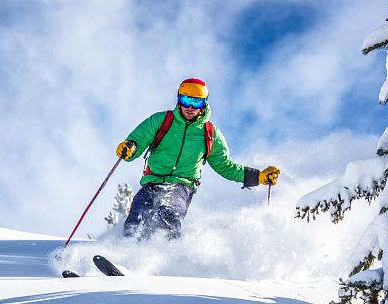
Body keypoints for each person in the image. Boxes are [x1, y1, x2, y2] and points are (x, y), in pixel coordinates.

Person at [115, 77, 280, 240]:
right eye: (186, 100)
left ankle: (165, 254)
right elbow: (139, 139)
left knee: (168, 212)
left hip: (181, 185)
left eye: (197, 102)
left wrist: (257, 177)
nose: (190, 107)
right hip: (153, 181)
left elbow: (225, 166)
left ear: (204, 104)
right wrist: (130, 147)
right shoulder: (162, 120)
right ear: (179, 100)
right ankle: (128, 253)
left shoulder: (209, 133)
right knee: (137, 214)